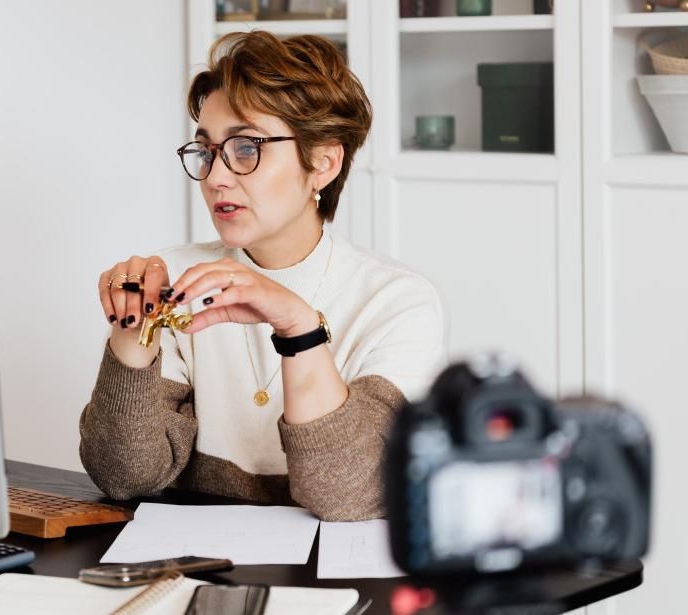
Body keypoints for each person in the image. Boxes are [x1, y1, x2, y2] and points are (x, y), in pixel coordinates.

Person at [79, 31, 446, 521]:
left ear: (323, 162)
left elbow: (351, 495)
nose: (215, 177)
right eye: (207, 151)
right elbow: (125, 476)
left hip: (334, 585)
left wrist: (300, 329)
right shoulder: (176, 279)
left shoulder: (397, 301)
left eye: (247, 147)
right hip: (200, 568)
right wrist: (131, 335)